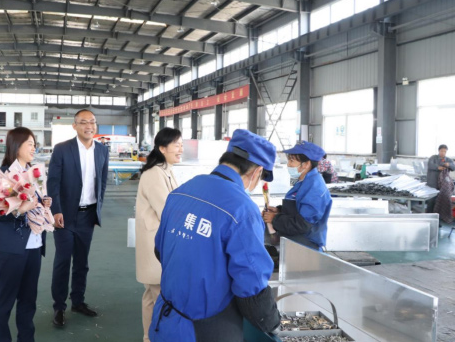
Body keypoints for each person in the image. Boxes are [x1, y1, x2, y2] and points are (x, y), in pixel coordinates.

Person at [149, 129, 281, 342]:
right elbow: (251, 282)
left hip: (165, 320)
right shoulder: (242, 208)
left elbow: (160, 249)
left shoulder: (182, 191)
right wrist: (271, 321)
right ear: (257, 172)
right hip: (205, 329)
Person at [47, 109, 109, 327]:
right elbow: (53, 182)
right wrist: (56, 210)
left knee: (82, 262)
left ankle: (78, 301)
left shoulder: (102, 150)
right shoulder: (62, 149)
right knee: (63, 262)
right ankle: (59, 307)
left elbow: (102, 182)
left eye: (92, 121)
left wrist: (97, 208)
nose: (88, 126)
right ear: (74, 126)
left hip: (87, 215)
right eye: (83, 122)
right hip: (65, 216)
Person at [0, 127, 52, 342]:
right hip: (11, 248)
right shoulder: (3, 174)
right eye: (30, 144)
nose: (34, 148)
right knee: (5, 302)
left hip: (34, 246)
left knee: (28, 301)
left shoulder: (35, 173)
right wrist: (19, 210)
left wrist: (44, 203)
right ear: (16, 147)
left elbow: (37, 202)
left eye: (35, 144)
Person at [135, 128, 182, 342]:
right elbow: (166, 210)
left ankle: (148, 337)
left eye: (181, 145)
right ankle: (154, 337)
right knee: (159, 295)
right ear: (162, 148)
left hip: (159, 241)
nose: (180, 149)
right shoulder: (155, 174)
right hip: (156, 243)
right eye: (176, 145)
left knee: (152, 295)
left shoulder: (166, 170)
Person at [263, 141, 332, 251]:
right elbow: (299, 207)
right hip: (296, 242)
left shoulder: (315, 188)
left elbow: (302, 224)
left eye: (292, 161)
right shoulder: (304, 181)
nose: (288, 164)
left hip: (306, 246)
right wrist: (279, 210)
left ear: (306, 164)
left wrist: (275, 219)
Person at [426, 144, 455, 214]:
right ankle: (429, 215)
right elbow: (430, 165)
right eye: (442, 151)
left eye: (445, 152)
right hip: (432, 183)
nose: (443, 153)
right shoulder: (433, 158)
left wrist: (449, 165)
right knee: (431, 200)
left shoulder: (448, 160)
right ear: (439, 151)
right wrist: (438, 167)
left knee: (442, 201)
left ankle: (439, 216)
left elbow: (453, 167)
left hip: (443, 184)